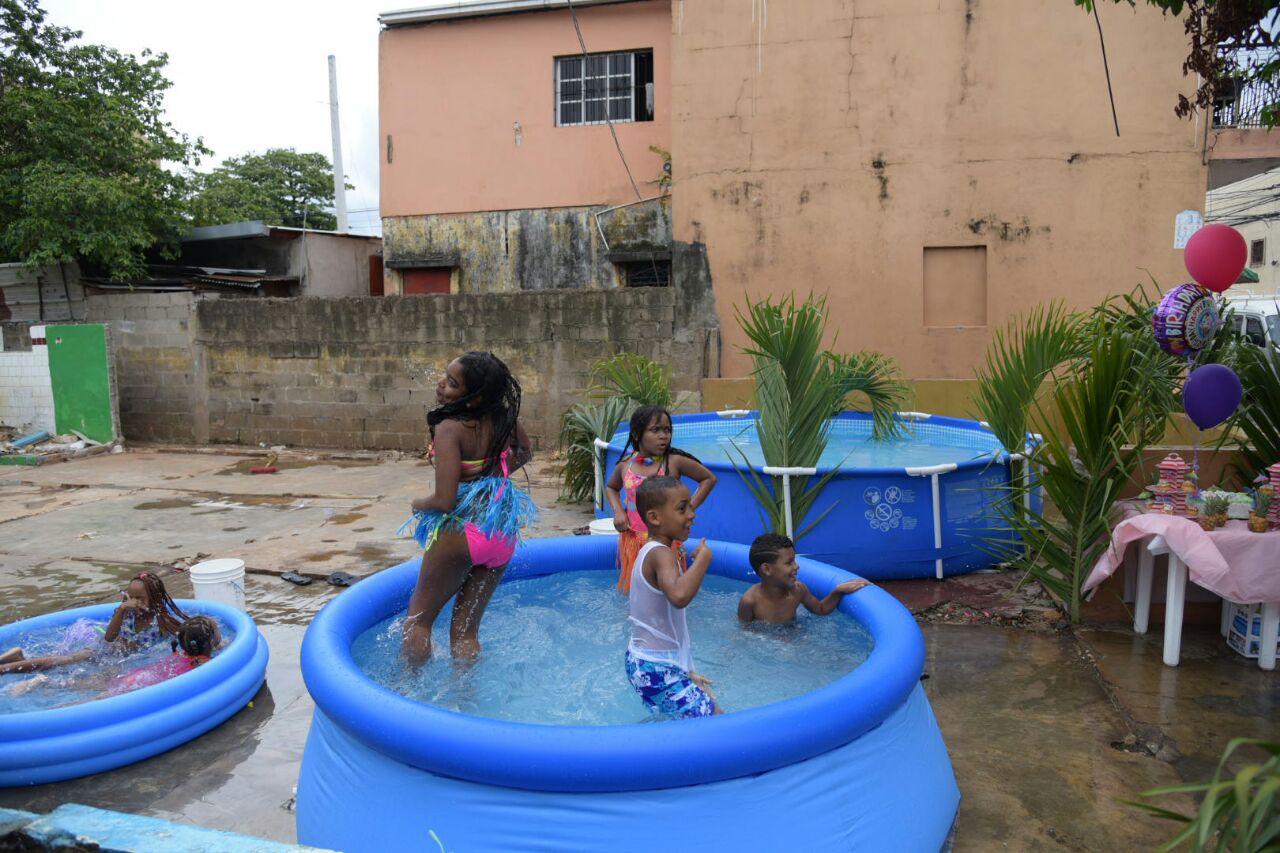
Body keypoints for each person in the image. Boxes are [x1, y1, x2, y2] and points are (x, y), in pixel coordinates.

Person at [399, 351, 537, 665]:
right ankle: (465, 700)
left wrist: (417, 503)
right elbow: (526, 452)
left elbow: (444, 502)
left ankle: (407, 699)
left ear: (473, 398)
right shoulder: (505, 419)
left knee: (418, 622)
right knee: (465, 633)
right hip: (501, 531)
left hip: (462, 531)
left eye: (452, 383)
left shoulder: (451, 428)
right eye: (444, 377)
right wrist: (493, 474)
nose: (441, 384)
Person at [625, 476, 719, 719]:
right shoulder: (661, 555)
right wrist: (704, 559)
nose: (692, 514)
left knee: (675, 726)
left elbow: (668, 624)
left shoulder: (654, 551)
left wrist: (686, 671)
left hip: (650, 664)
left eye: (690, 506)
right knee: (718, 725)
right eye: (682, 508)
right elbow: (679, 596)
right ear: (655, 518)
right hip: (657, 668)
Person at [605, 405, 716, 594]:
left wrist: (687, 509)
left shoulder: (673, 462)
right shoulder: (626, 465)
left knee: (670, 591)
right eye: (655, 430)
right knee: (635, 592)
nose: (664, 435)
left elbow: (708, 479)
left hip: (666, 542)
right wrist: (618, 511)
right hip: (633, 540)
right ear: (637, 434)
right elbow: (612, 487)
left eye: (667, 430)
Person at [0, 572, 188, 675]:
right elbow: (109, 638)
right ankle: (4, 669)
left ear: (154, 600)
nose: (133, 601)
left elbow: (186, 632)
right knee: (62, 661)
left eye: (140, 598)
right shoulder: (126, 612)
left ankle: (18, 657)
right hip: (101, 651)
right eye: (130, 596)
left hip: (114, 658)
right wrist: (122, 609)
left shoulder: (162, 622)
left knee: (58, 663)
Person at [7, 616, 220, 699]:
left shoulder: (181, 652)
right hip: (137, 685)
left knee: (79, 685)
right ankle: (43, 687)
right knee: (84, 702)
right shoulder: (203, 663)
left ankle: (41, 682)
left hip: (134, 675)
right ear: (209, 642)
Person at [737, 533, 869, 625]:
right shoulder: (750, 601)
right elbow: (745, 633)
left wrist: (837, 591)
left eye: (794, 560)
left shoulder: (798, 590)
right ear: (767, 569)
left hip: (794, 636)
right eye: (789, 563)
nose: (797, 566)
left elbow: (821, 609)